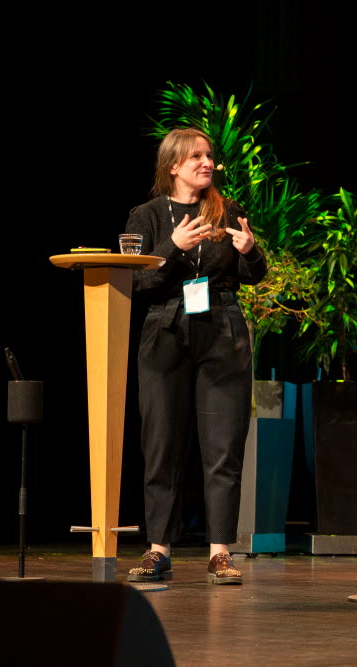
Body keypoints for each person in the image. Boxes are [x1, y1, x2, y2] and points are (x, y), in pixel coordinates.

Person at [124, 127, 267, 585]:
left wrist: (251, 251)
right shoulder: (146, 216)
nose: (207, 163)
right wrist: (172, 249)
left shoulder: (227, 211)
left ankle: (220, 552)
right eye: (196, 157)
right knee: (161, 445)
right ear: (173, 166)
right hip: (165, 330)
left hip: (221, 329)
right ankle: (158, 548)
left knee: (223, 446)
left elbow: (252, 276)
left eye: (209, 157)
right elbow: (135, 283)